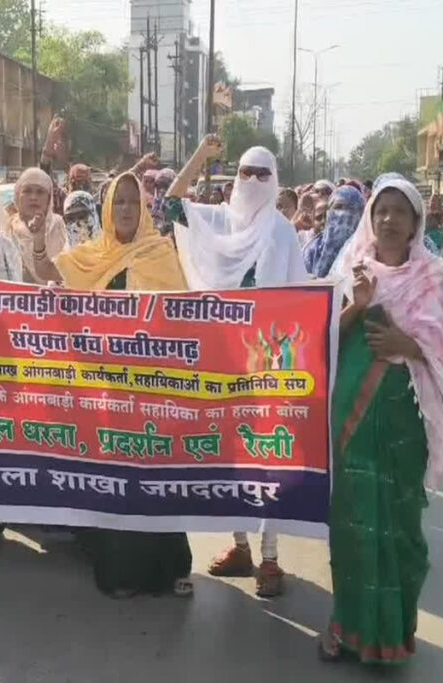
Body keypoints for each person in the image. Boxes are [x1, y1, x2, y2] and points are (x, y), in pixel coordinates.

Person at [319, 177, 443, 664]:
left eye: (399, 211)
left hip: (405, 419)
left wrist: (407, 346)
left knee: (400, 525)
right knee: (353, 521)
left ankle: (394, 635)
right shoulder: (350, 267)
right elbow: (322, 336)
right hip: (352, 416)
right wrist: (358, 306)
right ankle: (346, 626)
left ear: (414, 223)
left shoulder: (436, 280)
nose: (388, 219)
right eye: (381, 210)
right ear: (370, 217)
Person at [166, 137, 307, 597]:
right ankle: (241, 546)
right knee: (229, 456)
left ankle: (269, 558)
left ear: (275, 180)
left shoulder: (282, 231)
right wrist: (200, 158)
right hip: (221, 361)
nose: (251, 181)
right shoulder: (218, 221)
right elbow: (169, 205)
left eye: (261, 173)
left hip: (267, 363)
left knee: (266, 460)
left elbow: (300, 297)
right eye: (245, 172)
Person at [55, 172, 192, 598]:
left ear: (144, 207)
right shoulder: (91, 256)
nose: (127, 210)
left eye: (134, 202)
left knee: (156, 476)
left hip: (154, 389)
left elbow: (185, 318)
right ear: (107, 209)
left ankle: (169, 568)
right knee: (115, 477)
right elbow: (65, 298)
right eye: (119, 203)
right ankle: (121, 571)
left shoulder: (163, 252)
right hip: (108, 391)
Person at [8, 168, 67, 284]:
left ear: (49, 198)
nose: (33, 197)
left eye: (40, 192)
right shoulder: (7, 228)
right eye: (27, 191)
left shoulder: (60, 226)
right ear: (17, 196)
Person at [304, 185, 366, 278]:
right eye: (338, 207)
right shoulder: (312, 251)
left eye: (351, 208)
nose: (343, 214)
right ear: (328, 212)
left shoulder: (367, 250)